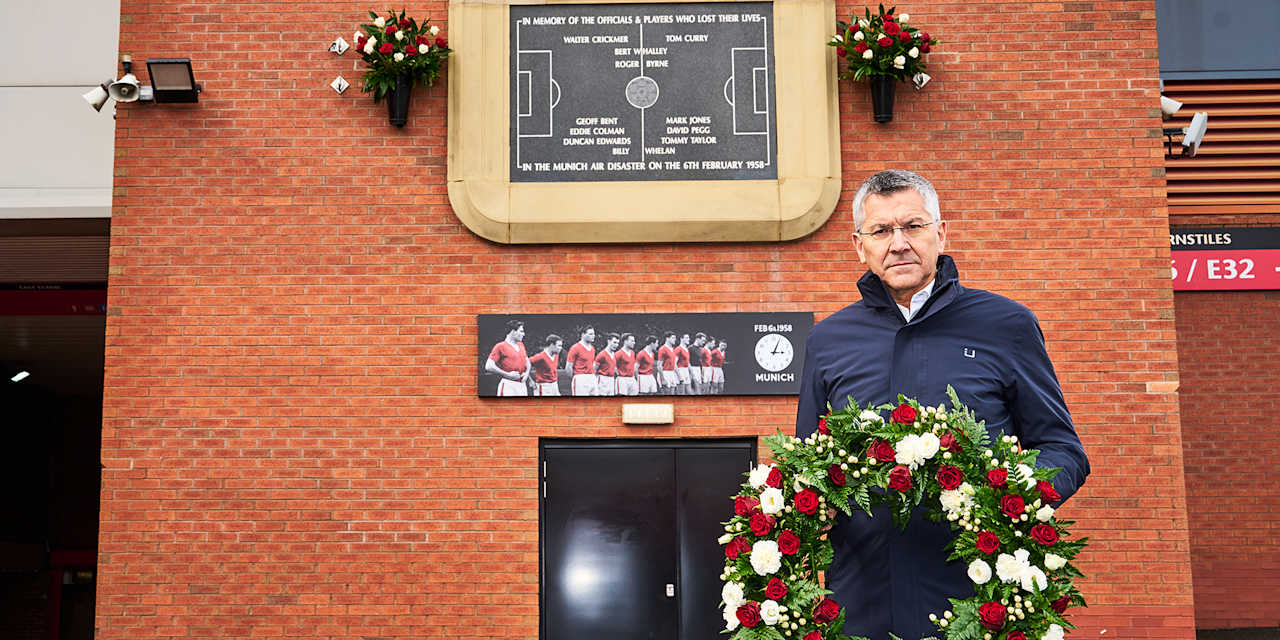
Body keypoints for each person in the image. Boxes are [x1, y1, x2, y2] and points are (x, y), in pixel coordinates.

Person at [795, 170, 1090, 640]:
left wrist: (1018, 496)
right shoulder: (829, 339)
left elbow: (1062, 449)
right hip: (863, 600)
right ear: (859, 244)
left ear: (941, 233)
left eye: (913, 226)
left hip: (981, 596)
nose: (898, 243)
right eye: (881, 230)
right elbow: (807, 464)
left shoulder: (1005, 324)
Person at [484, 320, 529, 396]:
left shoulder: (521, 345)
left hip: (522, 385)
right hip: (508, 385)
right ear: (513, 331)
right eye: (521, 331)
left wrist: (527, 373)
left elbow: (527, 361)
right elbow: (488, 366)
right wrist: (507, 375)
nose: (523, 334)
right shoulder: (500, 346)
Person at [566, 326, 597, 396]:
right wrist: (577, 378)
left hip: (592, 377)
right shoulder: (575, 348)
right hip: (580, 378)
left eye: (594, 334)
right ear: (583, 334)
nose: (593, 336)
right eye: (590, 334)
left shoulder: (592, 348)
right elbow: (568, 367)